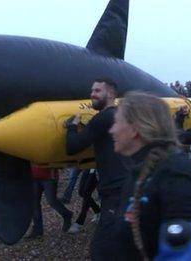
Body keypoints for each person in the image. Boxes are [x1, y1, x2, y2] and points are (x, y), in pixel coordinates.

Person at [105, 92, 191, 260]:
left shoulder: (181, 179)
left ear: (135, 128)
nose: (112, 129)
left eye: (116, 122)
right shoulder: (139, 172)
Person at [64, 78, 130, 258]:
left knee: (100, 250)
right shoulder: (121, 115)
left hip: (115, 192)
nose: (92, 94)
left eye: (97, 91)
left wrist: (71, 127)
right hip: (129, 186)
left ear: (110, 94)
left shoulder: (102, 118)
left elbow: (72, 148)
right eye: (92, 90)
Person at [26, 167, 73, 239]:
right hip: (33, 176)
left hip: (49, 177)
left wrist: (54, 171)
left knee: (52, 201)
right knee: (34, 203)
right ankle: (37, 229)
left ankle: (67, 214)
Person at [68, 169, 100, 234]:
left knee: (86, 192)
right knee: (81, 192)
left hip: (97, 169)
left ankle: (79, 222)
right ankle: (98, 211)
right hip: (88, 167)